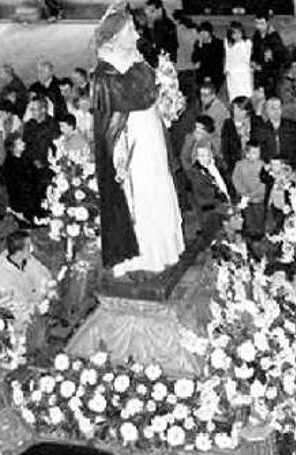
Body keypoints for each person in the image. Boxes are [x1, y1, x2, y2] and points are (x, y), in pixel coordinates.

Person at [92, 4, 184, 277]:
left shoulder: (136, 59)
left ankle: (165, 248)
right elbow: (133, 101)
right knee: (142, 194)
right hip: (133, 144)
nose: (136, 33)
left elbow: (151, 95)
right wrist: (156, 89)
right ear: (117, 35)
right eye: (130, 29)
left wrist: (167, 91)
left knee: (158, 185)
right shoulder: (105, 73)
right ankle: (142, 255)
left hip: (151, 135)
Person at [0, 230, 54, 348]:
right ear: (19, 252)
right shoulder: (2, 276)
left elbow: (42, 273)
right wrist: (37, 309)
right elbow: (13, 306)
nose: (32, 249)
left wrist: (47, 288)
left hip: (40, 304)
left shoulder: (26, 259)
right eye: (29, 246)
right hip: (20, 321)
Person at [254, 95, 296, 170]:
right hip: (269, 169)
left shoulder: (293, 127)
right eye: (273, 108)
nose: (276, 111)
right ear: (267, 110)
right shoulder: (260, 130)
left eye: (278, 107)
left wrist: (295, 167)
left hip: (291, 169)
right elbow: (256, 153)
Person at [186, 144, 231, 230]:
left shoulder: (216, 165)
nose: (203, 158)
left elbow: (224, 181)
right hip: (210, 208)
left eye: (206, 155)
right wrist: (220, 198)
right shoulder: (196, 173)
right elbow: (204, 193)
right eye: (200, 156)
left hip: (221, 202)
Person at [221, 96, 264, 179]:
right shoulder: (228, 124)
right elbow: (225, 149)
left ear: (248, 111)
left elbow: (262, 143)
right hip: (237, 165)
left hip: (256, 163)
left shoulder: (257, 122)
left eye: (241, 110)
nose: (236, 112)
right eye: (235, 109)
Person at [233, 140, 267, 240]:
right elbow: (236, 179)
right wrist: (243, 192)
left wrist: (252, 194)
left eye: (258, 152)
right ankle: (250, 234)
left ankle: (259, 234)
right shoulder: (239, 165)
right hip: (245, 198)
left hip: (258, 198)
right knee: (248, 217)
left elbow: (264, 183)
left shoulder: (262, 165)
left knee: (259, 217)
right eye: (253, 153)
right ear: (247, 154)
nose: (256, 155)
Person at [251, 10, 286, 99]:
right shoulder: (256, 35)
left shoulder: (274, 37)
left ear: (267, 23)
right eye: (257, 23)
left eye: (261, 23)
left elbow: (281, 57)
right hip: (259, 75)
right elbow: (255, 52)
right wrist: (253, 62)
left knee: (272, 99)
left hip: (272, 76)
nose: (259, 26)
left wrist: (271, 57)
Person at [224, 21, 253, 102]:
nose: (237, 35)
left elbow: (247, 57)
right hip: (232, 74)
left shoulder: (247, 43)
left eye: (239, 33)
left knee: (245, 96)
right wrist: (227, 69)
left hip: (244, 73)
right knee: (234, 96)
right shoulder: (227, 43)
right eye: (234, 33)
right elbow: (228, 57)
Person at [192, 21, 225, 92]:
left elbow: (217, 60)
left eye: (204, 32)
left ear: (210, 32)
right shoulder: (198, 44)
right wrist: (200, 46)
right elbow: (195, 59)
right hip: (201, 76)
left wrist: (209, 76)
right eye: (200, 32)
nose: (202, 35)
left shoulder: (218, 43)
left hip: (215, 75)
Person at [143, 0, 178, 65]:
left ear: (159, 10)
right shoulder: (147, 26)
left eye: (152, 12)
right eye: (146, 14)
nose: (149, 16)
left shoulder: (169, 27)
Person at [174, 13, 198, 103]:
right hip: (191, 68)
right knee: (191, 99)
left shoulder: (178, 30)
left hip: (179, 68)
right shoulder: (194, 32)